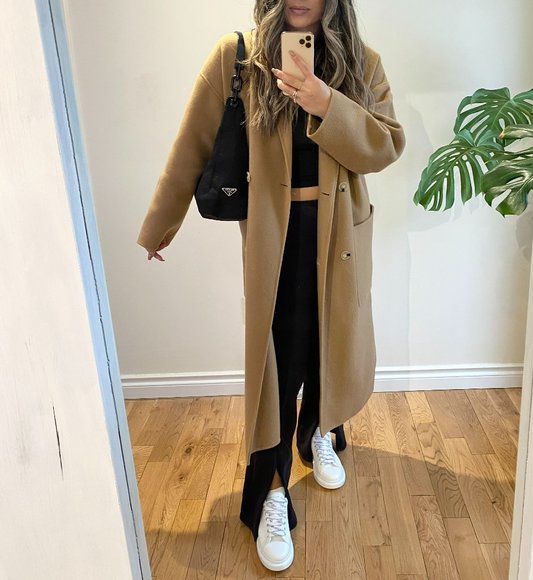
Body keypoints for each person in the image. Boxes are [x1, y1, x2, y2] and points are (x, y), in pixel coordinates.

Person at [136, 0, 405, 572]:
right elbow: (193, 145)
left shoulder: (362, 62)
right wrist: (160, 224)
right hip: (273, 238)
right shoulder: (239, 58)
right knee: (276, 363)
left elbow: (384, 146)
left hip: (340, 232)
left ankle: (320, 431)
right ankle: (272, 492)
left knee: (330, 341)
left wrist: (327, 103)